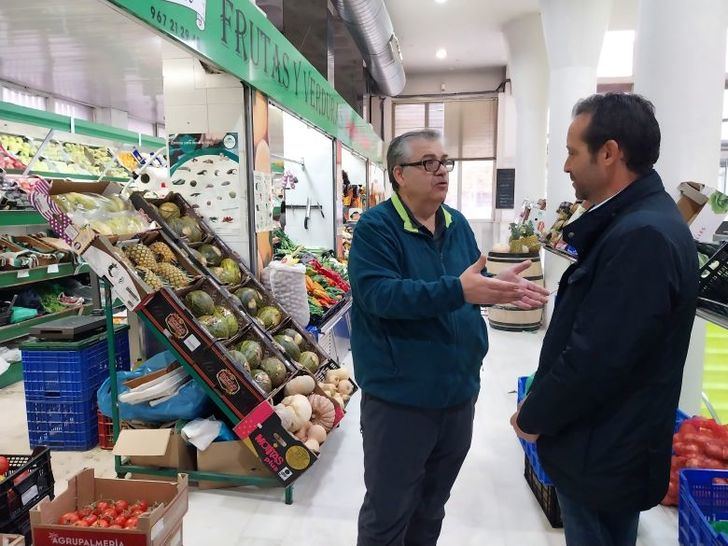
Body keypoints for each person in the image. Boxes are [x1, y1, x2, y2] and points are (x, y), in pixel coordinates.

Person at [511, 93, 698, 546]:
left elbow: (596, 358)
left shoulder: (643, 237)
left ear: (609, 153)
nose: (567, 167)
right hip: (612, 446)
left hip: (604, 450)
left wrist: (533, 416)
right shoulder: (639, 223)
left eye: (573, 152)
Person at [348, 129, 550, 546]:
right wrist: (459, 290)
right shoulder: (376, 227)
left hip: (458, 393)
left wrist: (498, 286)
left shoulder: (456, 223)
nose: (442, 171)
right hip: (400, 399)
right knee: (388, 511)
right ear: (399, 174)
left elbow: (467, 281)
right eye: (429, 163)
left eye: (445, 161)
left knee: (432, 504)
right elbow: (379, 294)